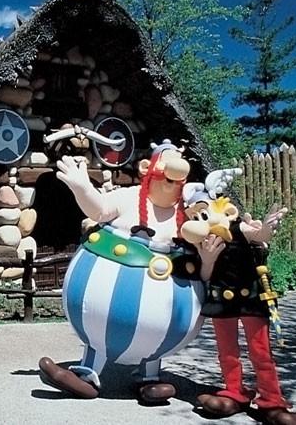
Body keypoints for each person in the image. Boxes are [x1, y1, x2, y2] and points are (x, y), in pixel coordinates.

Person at [39, 140, 215, 403]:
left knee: (155, 345)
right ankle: (86, 375)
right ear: (146, 167)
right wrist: (82, 187)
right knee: (99, 336)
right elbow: (99, 210)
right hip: (102, 304)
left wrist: (209, 257)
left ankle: (149, 379)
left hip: (170, 308)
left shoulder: (188, 214)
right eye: (167, 161)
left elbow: (205, 257)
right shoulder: (129, 197)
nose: (176, 169)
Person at [181, 196, 296, 425]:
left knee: (261, 351)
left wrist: (267, 226)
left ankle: (271, 400)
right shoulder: (200, 241)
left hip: (251, 299)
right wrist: (207, 259)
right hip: (221, 300)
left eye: (203, 213)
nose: (199, 219)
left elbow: (261, 236)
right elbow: (204, 276)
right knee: (227, 351)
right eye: (195, 216)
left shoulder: (239, 228)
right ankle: (234, 391)